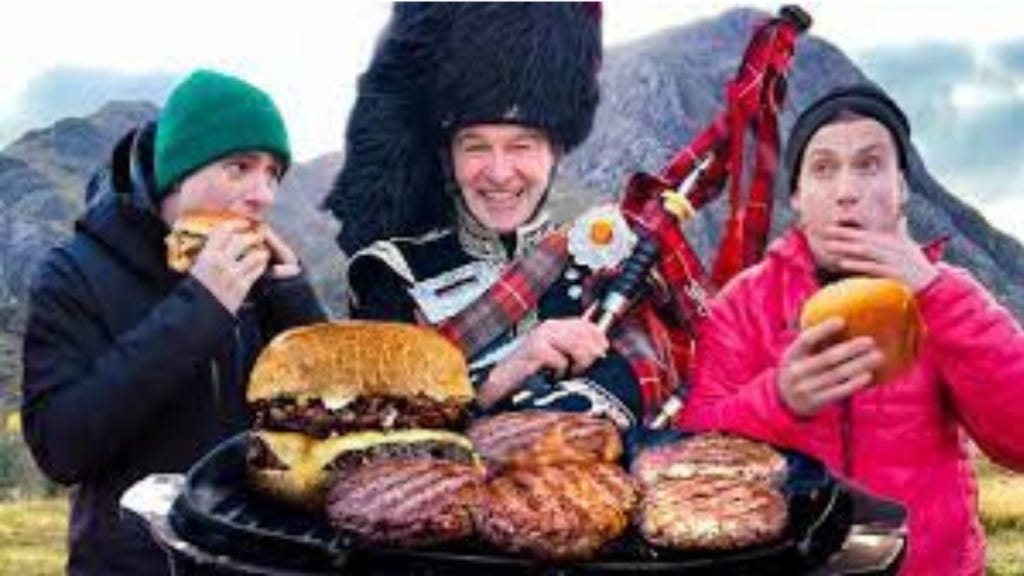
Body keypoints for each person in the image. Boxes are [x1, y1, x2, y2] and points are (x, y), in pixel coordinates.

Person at [681, 83, 1024, 575]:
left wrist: (935, 296)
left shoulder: (949, 294)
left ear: (902, 188)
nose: (847, 191)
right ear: (797, 196)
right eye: (822, 168)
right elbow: (692, 453)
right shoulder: (744, 302)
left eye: (869, 164)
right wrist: (778, 401)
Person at [21, 69, 327, 575]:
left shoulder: (261, 273)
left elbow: (331, 411)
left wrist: (292, 298)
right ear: (178, 173)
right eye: (240, 167)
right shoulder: (72, 270)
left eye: (273, 172)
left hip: (250, 558)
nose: (264, 194)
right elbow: (60, 447)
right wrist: (201, 307)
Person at [326, 3, 675, 430]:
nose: (498, 172)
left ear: (556, 153)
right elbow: (377, 433)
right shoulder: (392, 275)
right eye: (475, 147)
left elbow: (631, 392)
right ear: (448, 157)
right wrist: (501, 378)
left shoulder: (602, 261)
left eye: (522, 146)